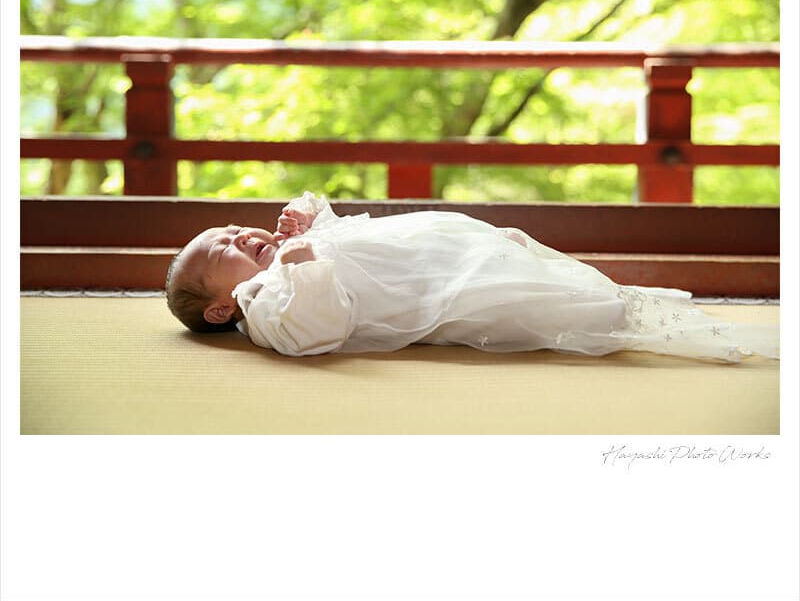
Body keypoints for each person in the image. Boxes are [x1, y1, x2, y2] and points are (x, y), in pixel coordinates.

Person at [165, 192, 779, 363]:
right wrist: (301, 263)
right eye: (222, 251)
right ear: (222, 307)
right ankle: (612, 314)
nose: (236, 235)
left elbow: (345, 238)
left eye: (230, 228)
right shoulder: (267, 302)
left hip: (442, 253)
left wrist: (310, 222)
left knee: (522, 265)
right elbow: (315, 330)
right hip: (436, 290)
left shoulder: (288, 250)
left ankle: (608, 301)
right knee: (531, 302)